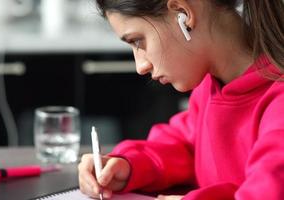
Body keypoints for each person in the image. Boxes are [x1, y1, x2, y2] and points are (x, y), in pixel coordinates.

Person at [78, 0, 284, 199]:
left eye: (138, 41)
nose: (140, 66)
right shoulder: (209, 87)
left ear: (183, 13)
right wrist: (129, 165)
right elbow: (186, 145)